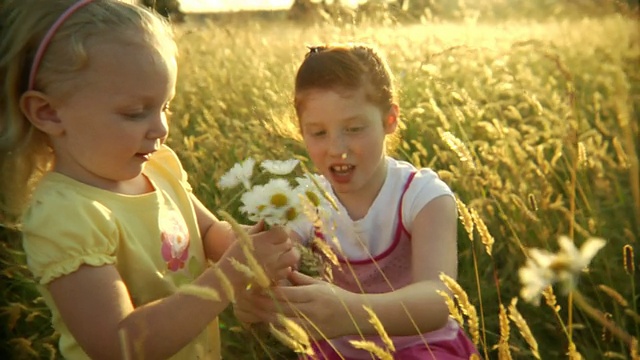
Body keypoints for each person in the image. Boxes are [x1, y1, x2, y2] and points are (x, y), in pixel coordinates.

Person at [0, 1, 299, 359]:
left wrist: (250, 244)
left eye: (166, 106)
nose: (161, 128)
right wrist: (231, 273)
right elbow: (119, 344)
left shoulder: (158, 167)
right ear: (48, 112)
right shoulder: (66, 216)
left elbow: (205, 234)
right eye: (135, 112)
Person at [233, 44, 480, 359]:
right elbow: (275, 257)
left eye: (354, 129)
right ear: (301, 131)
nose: (337, 148)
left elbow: (437, 301)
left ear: (389, 119)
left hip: (422, 348)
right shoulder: (306, 199)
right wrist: (259, 292)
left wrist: (349, 312)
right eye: (318, 133)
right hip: (337, 351)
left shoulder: (423, 197)